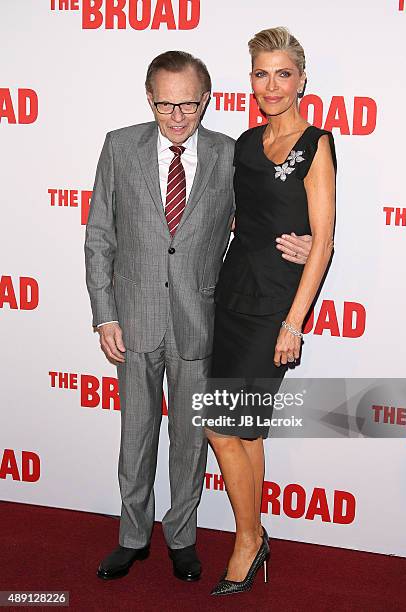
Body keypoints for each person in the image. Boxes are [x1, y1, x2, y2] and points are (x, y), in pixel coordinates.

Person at [84, 50, 313, 583]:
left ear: (206, 99)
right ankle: (133, 536)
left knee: (191, 439)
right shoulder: (120, 146)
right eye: (166, 105)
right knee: (135, 436)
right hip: (133, 320)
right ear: (150, 99)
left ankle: (181, 538)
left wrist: (305, 242)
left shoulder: (229, 153)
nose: (178, 117)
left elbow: (262, 214)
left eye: (189, 103)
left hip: (202, 321)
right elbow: (99, 235)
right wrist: (104, 314)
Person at [206, 27, 337, 596]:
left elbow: (325, 237)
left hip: (275, 307)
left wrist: (294, 322)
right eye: (262, 73)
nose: (272, 84)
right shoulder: (241, 143)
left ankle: (247, 540)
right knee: (244, 431)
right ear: (251, 81)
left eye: (283, 73)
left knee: (219, 425)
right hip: (232, 292)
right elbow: (234, 218)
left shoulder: (318, 143)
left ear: (302, 80)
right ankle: (254, 534)